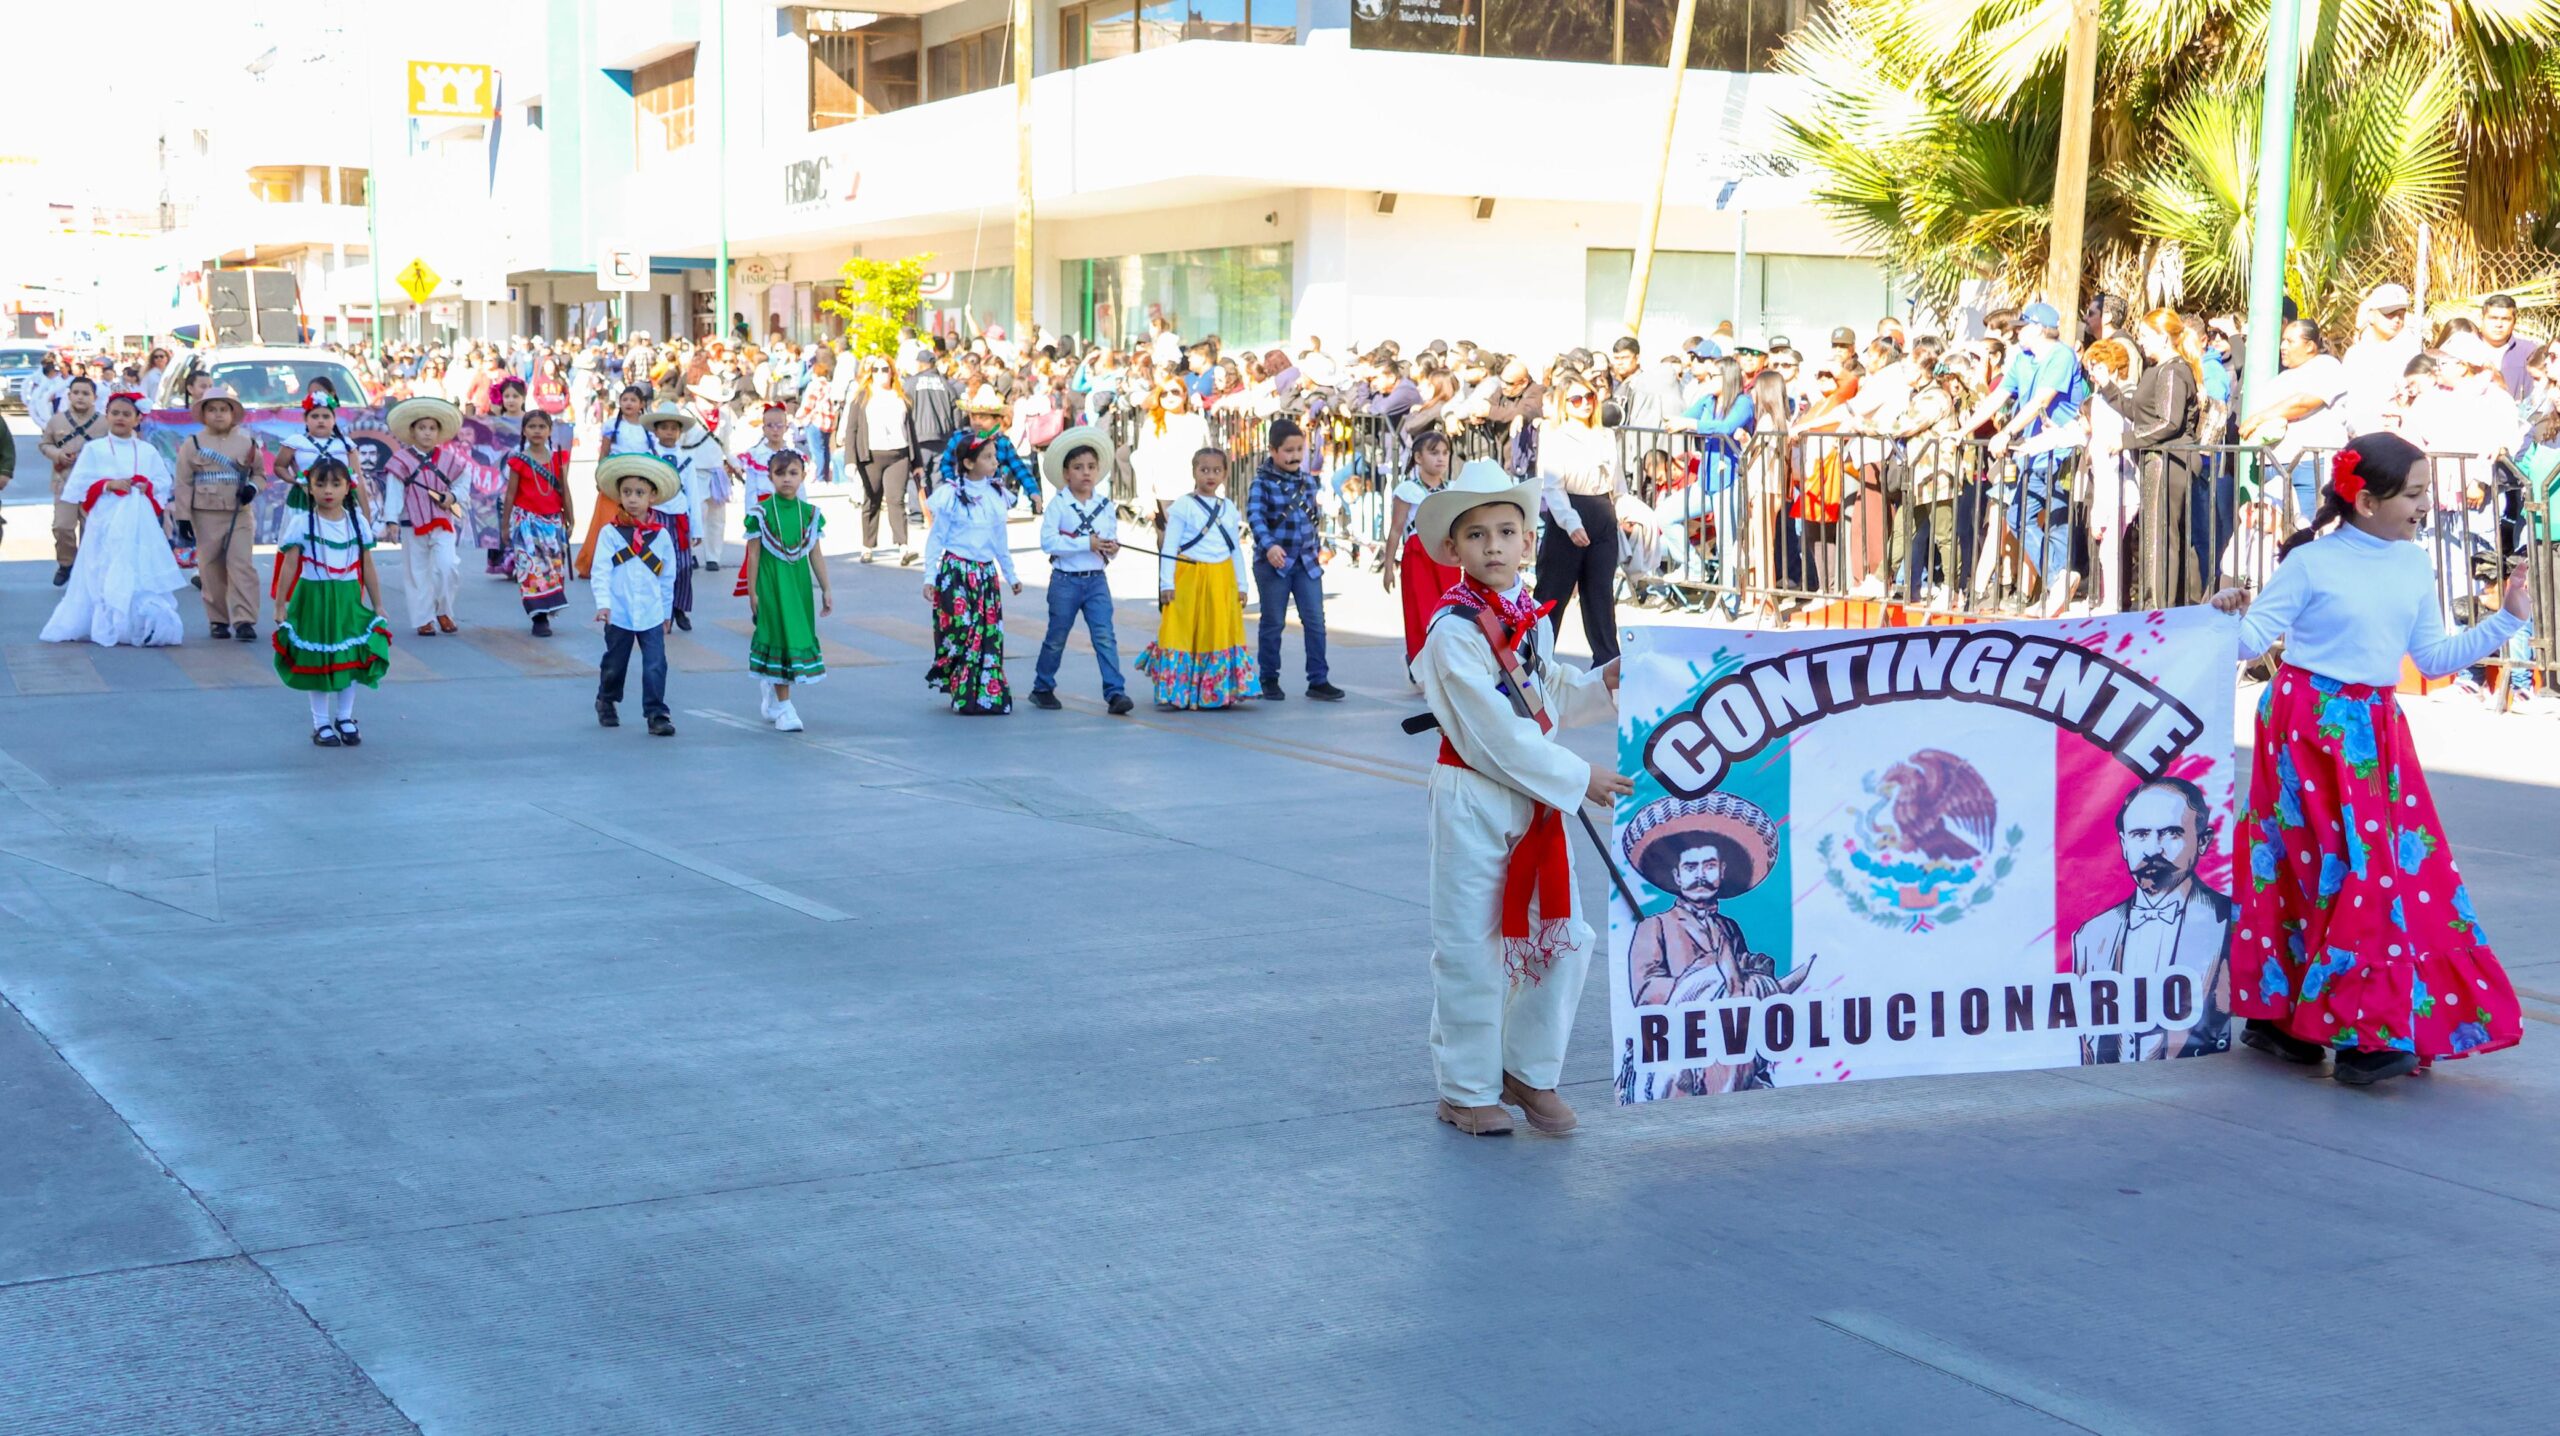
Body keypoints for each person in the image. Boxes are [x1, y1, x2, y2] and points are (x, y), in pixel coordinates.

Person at [2211, 432, 2531, 1085]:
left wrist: (2507, 618)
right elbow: (2247, 641)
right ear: (2364, 499)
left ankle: (2309, 1021)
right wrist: (2222, 611)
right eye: (2413, 493)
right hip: (2308, 724)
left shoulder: (2413, 564)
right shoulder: (2310, 564)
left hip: (2375, 729)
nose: (2422, 505)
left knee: (2369, 871)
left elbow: (2434, 657)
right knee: (2325, 867)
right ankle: (2348, 1031)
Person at [1411, 459, 1627, 1136]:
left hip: (1533, 799)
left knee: (1563, 938)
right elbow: (1495, 737)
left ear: (1531, 540)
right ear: (1454, 550)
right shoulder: (1451, 633)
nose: (1496, 546)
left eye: (1509, 531)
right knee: (1471, 944)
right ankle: (1467, 1088)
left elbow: (1549, 693)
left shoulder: (1526, 616)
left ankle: (1529, 1072)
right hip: (1477, 798)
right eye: (1479, 536)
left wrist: (1606, 684)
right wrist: (1576, 777)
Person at [2068, 777, 2234, 1063]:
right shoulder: (2091, 935)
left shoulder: (2227, 920)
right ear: (2123, 843)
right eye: (2140, 834)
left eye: (2171, 833)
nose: (2153, 850)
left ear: (2203, 841)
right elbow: (2087, 1042)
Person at [41, 391, 187, 648]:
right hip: (106, 517)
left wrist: (147, 486)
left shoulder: (146, 450)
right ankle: (107, 620)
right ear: (107, 416)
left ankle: (137, 621)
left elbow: (163, 482)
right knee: (103, 564)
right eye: (115, 413)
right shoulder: (94, 449)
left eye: (126, 414)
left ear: (137, 419)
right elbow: (79, 485)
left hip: (138, 519)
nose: (120, 418)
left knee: (136, 565)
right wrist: (108, 484)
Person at [271, 458, 391, 747]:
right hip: (312, 597)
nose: (328, 490)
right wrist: (280, 604)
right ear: (309, 488)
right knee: (319, 658)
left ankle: (346, 717)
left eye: (336, 484)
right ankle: (321, 722)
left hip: (348, 597)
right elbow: (289, 565)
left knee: (347, 657)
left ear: (348, 487)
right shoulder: (302, 523)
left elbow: (367, 566)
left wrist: (378, 604)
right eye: (320, 484)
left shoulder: (357, 521)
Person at [1139, 447, 1256, 711]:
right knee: (1183, 629)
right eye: (1204, 470)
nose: (1210, 476)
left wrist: (1242, 584)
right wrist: (1166, 583)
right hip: (1190, 574)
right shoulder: (1183, 506)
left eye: (1216, 470)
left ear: (1225, 474)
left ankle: (1215, 691)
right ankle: (1180, 691)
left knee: (1218, 632)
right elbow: (1170, 546)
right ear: (1194, 472)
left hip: (1221, 577)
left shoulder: (1228, 509)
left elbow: (1234, 548)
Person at [1027, 426, 1133, 716]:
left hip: (1096, 580)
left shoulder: (1105, 505)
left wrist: (1110, 547)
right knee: (1057, 635)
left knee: (1104, 635)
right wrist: (1088, 542)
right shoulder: (1059, 505)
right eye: (1078, 467)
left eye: (1091, 467)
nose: (1085, 473)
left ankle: (1115, 692)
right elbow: (1049, 542)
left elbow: (1109, 537)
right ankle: (1042, 686)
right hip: (1065, 581)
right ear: (1066, 475)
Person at [922, 431, 1021, 716]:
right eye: (988, 457)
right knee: (962, 632)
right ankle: (960, 689)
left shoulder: (996, 496)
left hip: (985, 576)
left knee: (987, 636)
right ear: (968, 463)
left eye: (995, 457)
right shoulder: (951, 495)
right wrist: (930, 577)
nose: (994, 462)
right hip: (956, 573)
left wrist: (1010, 575)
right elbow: (936, 539)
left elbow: (1000, 541)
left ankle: (985, 694)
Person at [1246, 418, 1342, 702]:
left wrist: (1320, 546)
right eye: (1288, 450)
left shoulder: (1308, 481)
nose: (1295, 456)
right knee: (1273, 621)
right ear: (1273, 451)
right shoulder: (1261, 483)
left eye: (1300, 449)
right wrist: (1269, 546)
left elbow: (1312, 518)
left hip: (1306, 562)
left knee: (1315, 620)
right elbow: (1255, 517)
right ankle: (1269, 677)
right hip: (1274, 563)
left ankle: (1318, 679)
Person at [589, 454, 683, 737]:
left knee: (655, 663)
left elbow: (668, 578)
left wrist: (667, 613)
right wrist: (604, 605)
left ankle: (656, 713)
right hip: (619, 611)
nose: (632, 499)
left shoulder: (662, 536)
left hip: (652, 612)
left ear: (651, 497)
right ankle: (606, 699)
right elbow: (601, 570)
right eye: (627, 492)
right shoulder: (610, 533)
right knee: (615, 663)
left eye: (639, 493)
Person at [741, 450, 831, 732]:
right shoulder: (762, 513)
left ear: (803, 476)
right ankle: (785, 707)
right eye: (780, 474)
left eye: (793, 473)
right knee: (778, 635)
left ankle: (774, 690)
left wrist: (826, 588)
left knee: (796, 634)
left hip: (798, 586)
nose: (787, 479)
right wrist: (753, 591)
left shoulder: (810, 514)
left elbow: (815, 554)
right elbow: (753, 555)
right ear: (770, 478)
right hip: (771, 584)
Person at [169, 385, 266, 642]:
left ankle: (244, 620)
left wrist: (252, 489)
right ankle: (218, 620)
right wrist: (183, 517)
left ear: (233, 413)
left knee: (241, 566)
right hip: (205, 514)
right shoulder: (193, 445)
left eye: (224, 409)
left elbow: (260, 474)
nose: (219, 415)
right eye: (212, 410)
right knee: (210, 569)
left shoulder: (247, 443)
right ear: (203, 414)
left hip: (239, 513)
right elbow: (183, 482)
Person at [2239, 319, 2350, 524]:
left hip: (2310, 464)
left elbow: (2303, 402)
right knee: (2272, 533)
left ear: (2309, 345)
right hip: (2275, 463)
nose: (2283, 346)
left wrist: (2260, 418)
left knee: (2307, 527)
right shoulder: (2280, 379)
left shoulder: (2327, 366)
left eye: (2290, 341)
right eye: (2283, 341)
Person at [380, 395, 469, 638]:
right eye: (422, 428)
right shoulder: (401, 461)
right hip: (412, 523)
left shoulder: (451, 460)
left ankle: (444, 610)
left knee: (448, 566)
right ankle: (423, 619)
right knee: (417, 572)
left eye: (432, 428)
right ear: (413, 431)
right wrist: (391, 521)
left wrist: (452, 497)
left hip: (442, 522)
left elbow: (462, 483)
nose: (427, 433)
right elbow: (395, 493)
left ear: (439, 432)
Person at [1383, 430, 1459, 670]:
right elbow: (1395, 530)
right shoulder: (1408, 490)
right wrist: (1388, 568)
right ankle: (1422, 666)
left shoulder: (1453, 489)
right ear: (1418, 458)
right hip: (1419, 556)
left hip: (1447, 557)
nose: (1441, 458)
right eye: (1434, 452)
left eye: (1445, 453)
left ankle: (1449, 665)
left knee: (1451, 614)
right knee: (1422, 612)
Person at [638, 402, 712, 630]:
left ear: (680, 432)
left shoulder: (687, 459)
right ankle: (659, 609)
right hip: (655, 515)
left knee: (682, 565)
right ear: (656, 431)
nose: (669, 432)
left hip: (679, 516)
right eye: (664, 427)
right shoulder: (649, 456)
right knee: (654, 562)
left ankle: (678, 607)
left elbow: (693, 494)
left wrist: (696, 529)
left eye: (674, 428)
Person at [503, 409, 575, 636]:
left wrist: (571, 518)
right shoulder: (518, 460)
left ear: (550, 431)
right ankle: (538, 617)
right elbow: (510, 494)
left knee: (552, 568)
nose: (537, 431)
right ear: (524, 430)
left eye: (542, 427)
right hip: (526, 522)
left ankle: (547, 609)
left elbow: (564, 490)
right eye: (532, 426)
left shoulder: (558, 458)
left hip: (552, 522)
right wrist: (505, 525)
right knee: (532, 569)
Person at [37, 375, 107, 586]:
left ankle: (87, 569)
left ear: (94, 397)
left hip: (93, 486)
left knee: (91, 529)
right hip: (64, 482)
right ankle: (67, 563)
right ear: (68, 396)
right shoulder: (57, 420)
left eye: (86, 393)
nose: (80, 397)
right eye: (76, 393)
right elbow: (44, 444)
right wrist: (57, 455)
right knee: (62, 526)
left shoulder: (105, 423)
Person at [842, 360, 915, 561]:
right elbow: (852, 429)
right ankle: (868, 546)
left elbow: (911, 431)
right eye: (876, 369)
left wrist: (917, 465)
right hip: (871, 456)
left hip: (898, 455)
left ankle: (903, 546)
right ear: (870, 373)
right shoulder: (862, 397)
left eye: (885, 369)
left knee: (896, 500)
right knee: (871, 500)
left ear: (892, 372)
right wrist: (850, 460)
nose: (881, 373)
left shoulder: (902, 397)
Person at [272, 392, 374, 521]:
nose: (321, 420)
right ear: (305, 419)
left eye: (326, 416)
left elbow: (357, 478)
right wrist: (296, 481)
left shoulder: (346, 444)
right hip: (305, 499)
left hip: (340, 500)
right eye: (315, 416)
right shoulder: (296, 441)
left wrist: (366, 513)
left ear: (334, 419)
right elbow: (279, 466)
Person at [1137, 377, 1211, 532]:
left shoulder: (1198, 423)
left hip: (1193, 493)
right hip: (1162, 493)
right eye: (1164, 393)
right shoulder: (1152, 424)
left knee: (1192, 547)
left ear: (1184, 394)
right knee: (1167, 548)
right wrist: (1146, 497)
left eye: (1175, 392)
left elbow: (1210, 459)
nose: (1169, 397)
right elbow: (1144, 462)